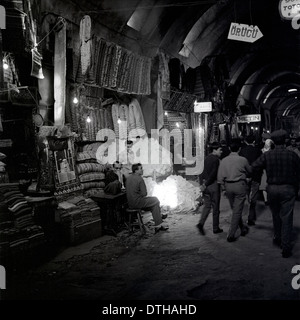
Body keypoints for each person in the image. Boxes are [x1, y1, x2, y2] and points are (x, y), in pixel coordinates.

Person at [252, 129, 300, 258]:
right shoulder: (292, 155)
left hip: (272, 189)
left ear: (273, 141)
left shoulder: (267, 155)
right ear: (285, 140)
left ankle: (278, 237)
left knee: (276, 214)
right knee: (287, 217)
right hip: (288, 188)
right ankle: (286, 247)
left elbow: (254, 166)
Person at [217, 138, 252, 242]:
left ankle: (242, 228)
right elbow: (250, 171)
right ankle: (231, 234)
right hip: (239, 186)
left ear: (229, 148)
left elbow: (220, 177)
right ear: (239, 149)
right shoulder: (243, 160)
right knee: (237, 210)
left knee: (235, 209)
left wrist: (223, 188)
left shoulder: (224, 160)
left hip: (228, 186)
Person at [125, 163, 169, 232]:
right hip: (138, 202)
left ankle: (158, 224)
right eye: (141, 168)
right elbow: (144, 194)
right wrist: (139, 194)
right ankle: (159, 221)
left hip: (130, 203)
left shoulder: (128, 178)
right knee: (155, 200)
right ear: (136, 171)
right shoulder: (139, 179)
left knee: (154, 206)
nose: (142, 170)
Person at [196, 142, 223, 235]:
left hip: (205, 186)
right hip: (213, 185)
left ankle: (201, 223)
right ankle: (215, 228)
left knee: (207, 206)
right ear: (214, 150)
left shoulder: (206, 158)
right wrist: (207, 184)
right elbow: (213, 174)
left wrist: (202, 184)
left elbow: (200, 172)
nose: (221, 151)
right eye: (220, 149)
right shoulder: (216, 160)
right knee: (215, 207)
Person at [239, 135, 263, 226]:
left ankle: (246, 216)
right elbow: (260, 164)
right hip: (255, 177)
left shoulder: (242, 151)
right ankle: (251, 218)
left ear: (245, 141)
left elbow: (241, 165)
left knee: (247, 197)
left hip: (245, 177)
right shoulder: (258, 151)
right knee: (253, 197)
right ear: (253, 142)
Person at [259, 138, 274, 205]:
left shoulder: (262, 151)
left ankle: (266, 200)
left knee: (264, 186)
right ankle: (269, 199)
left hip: (264, 170)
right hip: (271, 169)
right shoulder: (272, 152)